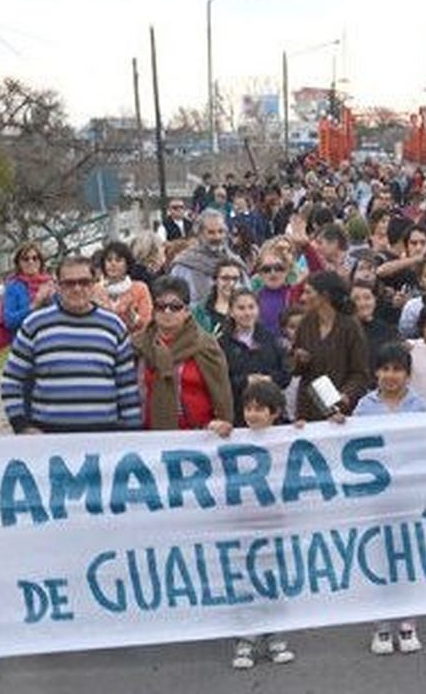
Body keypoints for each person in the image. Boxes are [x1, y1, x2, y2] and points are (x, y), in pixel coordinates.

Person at [0, 255, 142, 433]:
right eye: (69, 283)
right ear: (57, 285)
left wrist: (132, 434)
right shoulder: (34, 324)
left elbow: (127, 387)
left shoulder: (114, 326)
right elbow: (11, 380)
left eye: (84, 282)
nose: (77, 288)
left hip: (104, 440)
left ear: (94, 284)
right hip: (48, 438)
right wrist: (21, 424)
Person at [356, 343, 426, 655]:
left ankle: (407, 622)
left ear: (408, 374)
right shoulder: (364, 406)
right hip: (376, 497)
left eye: (397, 369)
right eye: (384, 369)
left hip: (409, 495)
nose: (390, 375)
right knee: (378, 560)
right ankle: (382, 626)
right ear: (376, 372)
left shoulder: (420, 406)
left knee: (407, 557)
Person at [226, 379, 298, 669]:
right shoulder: (233, 438)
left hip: (276, 524)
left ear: (275, 412)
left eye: (260, 409)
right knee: (245, 578)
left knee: (274, 578)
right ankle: (245, 639)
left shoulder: (286, 437)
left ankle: (274, 636)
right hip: (242, 525)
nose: (253, 414)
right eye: (248, 408)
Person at [132, 276, 232, 431]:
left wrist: (223, 423)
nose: (167, 311)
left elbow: (222, 396)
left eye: (175, 307)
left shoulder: (205, 346)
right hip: (147, 440)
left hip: (198, 438)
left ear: (186, 311)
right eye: (161, 306)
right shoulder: (138, 344)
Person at [290, 271, 371, 419]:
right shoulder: (306, 322)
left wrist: (345, 394)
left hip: (340, 411)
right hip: (307, 407)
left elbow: (360, 372)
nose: (303, 298)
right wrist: (298, 359)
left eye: (308, 292)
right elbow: (294, 368)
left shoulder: (350, 326)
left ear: (324, 296)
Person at [218, 289, 291, 412]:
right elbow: (220, 380)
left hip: (270, 412)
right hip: (237, 411)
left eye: (251, 307)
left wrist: (269, 379)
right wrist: (246, 380)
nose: (247, 313)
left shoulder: (272, 339)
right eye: (241, 308)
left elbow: (285, 375)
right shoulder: (222, 344)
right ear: (231, 312)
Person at [0, 241, 54, 349]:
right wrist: (34, 305)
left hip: (50, 341)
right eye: (25, 259)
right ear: (19, 263)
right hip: (24, 345)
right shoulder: (14, 287)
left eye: (35, 258)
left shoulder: (51, 284)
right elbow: (9, 321)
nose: (31, 262)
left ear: (41, 261)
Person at [169, 209, 239, 304]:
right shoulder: (184, 264)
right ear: (200, 234)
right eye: (211, 232)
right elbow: (175, 301)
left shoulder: (234, 262)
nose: (217, 237)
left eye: (220, 231)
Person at [92, 241, 153, 334]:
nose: (113, 264)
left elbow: (148, 324)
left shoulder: (140, 289)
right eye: (109, 260)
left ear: (127, 264)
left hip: (132, 343)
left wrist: (133, 317)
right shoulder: (95, 290)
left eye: (118, 260)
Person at [192, 260, 246, 339]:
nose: (231, 283)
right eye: (225, 278)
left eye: (235, 279)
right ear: (215, 280)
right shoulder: (200, 311)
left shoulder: (248, 309)